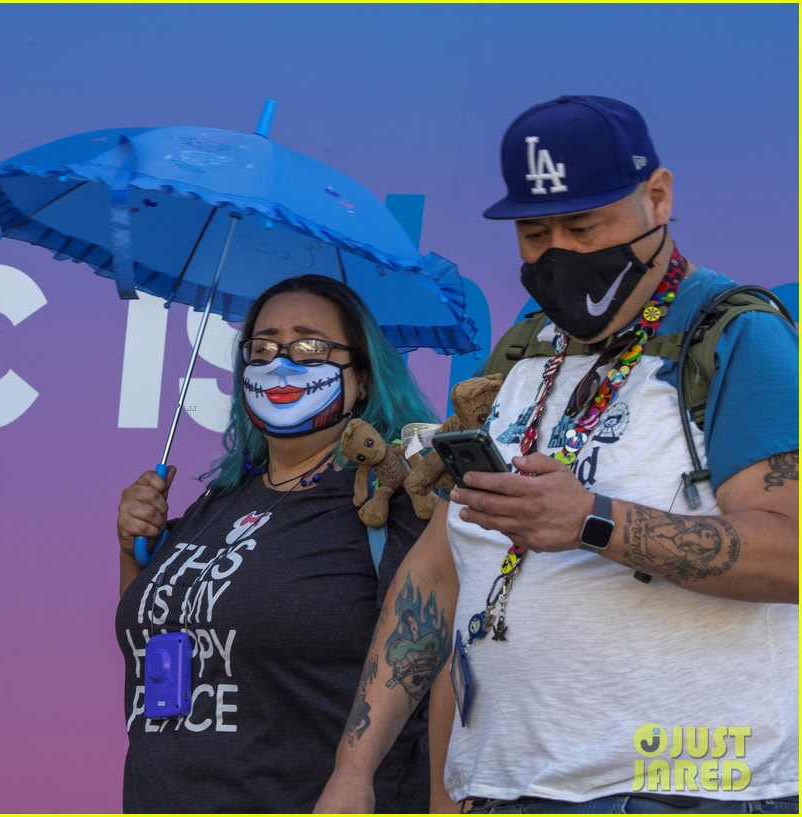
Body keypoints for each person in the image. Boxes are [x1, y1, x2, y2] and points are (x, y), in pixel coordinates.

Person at [315, 95, 799, 814]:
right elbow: (438, 573)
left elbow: (788, 552)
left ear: (658, 198)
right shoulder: (522, 353)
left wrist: (592, 521)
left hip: (680, 789)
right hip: (506, 789)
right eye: (535, 233)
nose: (558, 254)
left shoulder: (733, 336)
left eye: (584, 224)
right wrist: (354, 771)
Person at [114, 274, 442, 812]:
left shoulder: (389, 503)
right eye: (262, 347)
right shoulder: (215, 503)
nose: (280, 363)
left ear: (361, 378)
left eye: (310, 346)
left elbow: (435, 664)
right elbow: (158, 646)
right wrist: (133, 552)